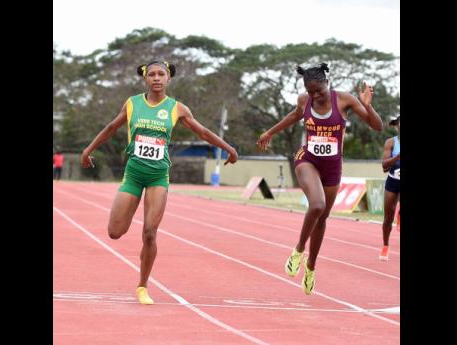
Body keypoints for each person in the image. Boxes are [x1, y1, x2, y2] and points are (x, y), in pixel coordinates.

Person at [81, 60, 238, 304]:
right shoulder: (132, 103)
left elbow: (203, 132)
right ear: (145, 79)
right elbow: (112, 127)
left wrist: (229, 149)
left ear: (168, 78)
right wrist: (87, 150)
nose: (156, 78)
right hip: (133, 175)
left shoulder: (177, 108)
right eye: (152, 74)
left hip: (158, 177)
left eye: (161, 74)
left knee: (150, 233)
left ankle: (142, 286)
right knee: (115, 232)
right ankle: (137, 242)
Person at [257, 63, 382, 295]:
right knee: (317, 204)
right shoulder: (305, 101)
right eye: (310, 92)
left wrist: (367, 106)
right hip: (308, 159)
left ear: (327, 84)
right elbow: (294, 116)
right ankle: (298, 250)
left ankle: (311, 267)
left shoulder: (344, 100)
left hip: (333, 166)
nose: (315, 96)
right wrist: (270, 131)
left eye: (318, 91)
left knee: (322, 217)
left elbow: (377, 126)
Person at [379, 115, 400, 261]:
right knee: (388, 217)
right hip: (393, 181)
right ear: (397, 126)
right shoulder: (391, 142)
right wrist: (397, 157)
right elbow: (384, 166)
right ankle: (385, 246)